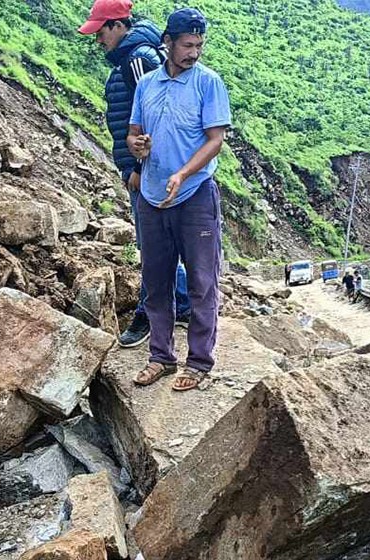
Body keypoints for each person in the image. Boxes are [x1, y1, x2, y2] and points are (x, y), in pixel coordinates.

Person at [126, 8, 230, 392]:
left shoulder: (208, 83)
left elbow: (215, 139)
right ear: (167, 43)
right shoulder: (147, 85)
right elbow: (133, 133)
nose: (194, 52)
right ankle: (161, 357)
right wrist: (136, 145)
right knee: (156, 281)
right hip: (152, 196)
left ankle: (199, 362)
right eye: (187, 45)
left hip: (194, 194)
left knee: (202, 282)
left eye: (199, 45)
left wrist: (183, 173)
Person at [78, 0, 191, 348]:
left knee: (152, 244)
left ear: (116, 25)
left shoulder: (137, 59)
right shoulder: (133, 57)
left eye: (100, 31)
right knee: (159, 241)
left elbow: (158, 114)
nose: (98, 40)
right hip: (148, 167)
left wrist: (140, 168)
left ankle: (150, 313)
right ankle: (183, 302)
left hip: (150, 170)